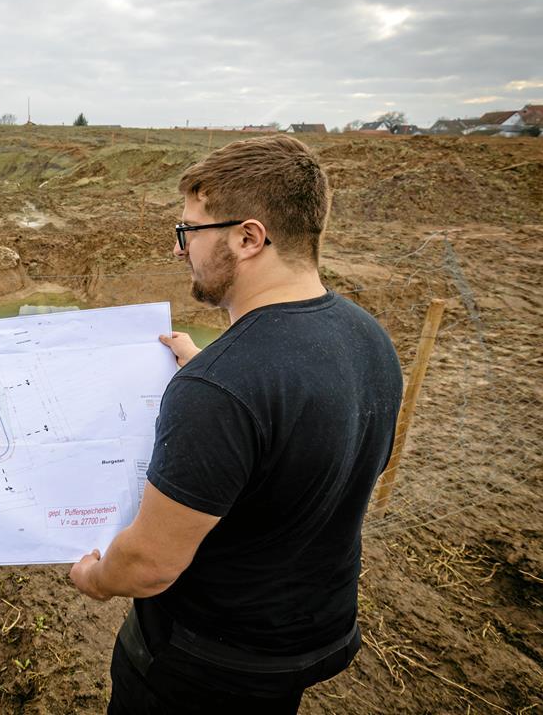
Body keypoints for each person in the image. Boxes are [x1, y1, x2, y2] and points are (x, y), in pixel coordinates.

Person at [69, 134, 402, 713]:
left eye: (188, 232)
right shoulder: (364, 334)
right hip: (310, 632)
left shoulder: (221, 388)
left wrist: (96, 579)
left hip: (209, 663)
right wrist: (220, 382)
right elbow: (299, 435)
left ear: (248, 237)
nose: (179, 251)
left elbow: (148, 566)